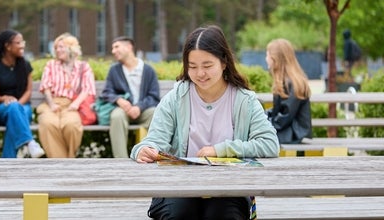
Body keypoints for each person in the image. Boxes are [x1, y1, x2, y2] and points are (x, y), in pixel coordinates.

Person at [130, 25, 279, 220]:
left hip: (229, 188)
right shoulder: (175, 98)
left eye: (207, 66)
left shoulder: (244, 100)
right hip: (180, 186)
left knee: (223, 215)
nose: (200, 73)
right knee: (180, 214)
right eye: (192, 66)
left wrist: (220, 150)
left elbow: (270, 144)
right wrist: (143, 149)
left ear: (224, 62)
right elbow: (155, 140)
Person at [0, 29, 45, 158]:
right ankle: (30, 142)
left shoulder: (25, 65)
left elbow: (28, 91)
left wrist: (17, 104)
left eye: (22, 42)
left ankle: (6, 163)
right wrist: (4, 98)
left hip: (23, 107)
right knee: (13, 110)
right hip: (3, 109)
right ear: (7, 46)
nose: (22, 45)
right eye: (18, 42)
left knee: (15, 113)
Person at [37, 33, 97, 158]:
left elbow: (87, 89)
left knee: (71, 125)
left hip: (72, 104)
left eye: (61, 47)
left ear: (72, 48)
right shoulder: (51, 65)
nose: (58, 50)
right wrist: (52, 104)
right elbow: (46, 87)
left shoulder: (83, 67)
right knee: (48, 123)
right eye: (56, 48)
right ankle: (60, 162)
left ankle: (68, 159)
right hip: (52, 103)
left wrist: (76, 104)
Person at [100, 36, 160, 158]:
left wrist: (139, 107)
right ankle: (121, 160)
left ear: (129, 47)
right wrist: (119, 99)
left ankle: (151, 155)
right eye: (112, 48)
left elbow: (154, 96)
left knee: (156, 114)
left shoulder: (148, 70)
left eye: (116, 47)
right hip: (124, 111)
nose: (113, 51)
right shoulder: (114, 70)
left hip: (144, 111)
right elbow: (107, 92)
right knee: (116, 116)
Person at [265, 38, 312, 144]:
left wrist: (266, 126)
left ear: (275, 59)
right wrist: (263, 116)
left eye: (267, 55)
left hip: (293, 133)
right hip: (288, 131)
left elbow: (285, 116)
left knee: (259, 138)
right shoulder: (285, 81)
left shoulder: (292, 83)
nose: (266, 58)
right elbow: (280, 111)